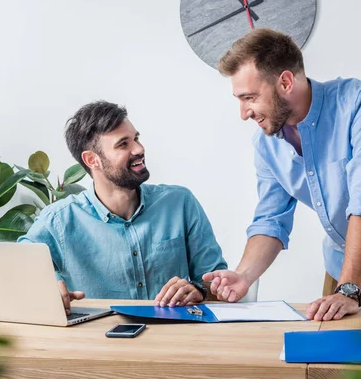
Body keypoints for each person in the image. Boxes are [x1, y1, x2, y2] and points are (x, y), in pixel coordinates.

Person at [203, 28, 361, 333]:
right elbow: (271, 220)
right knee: (335, 353)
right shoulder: (267, 143)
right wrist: (244, 276)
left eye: (250, 98)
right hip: (343, 253)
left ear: (285, 82)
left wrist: (349, 290)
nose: (244, 113)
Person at [18, 101, 227, 315]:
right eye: (123, 144)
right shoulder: (59, 221)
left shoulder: (180, 203)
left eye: (136, 138)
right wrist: (47, 286)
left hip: (177, 339)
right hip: (100, 342)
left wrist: (199, 290)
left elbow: (219, 283)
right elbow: (18, 266)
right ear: (92, 160)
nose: (139, 149)